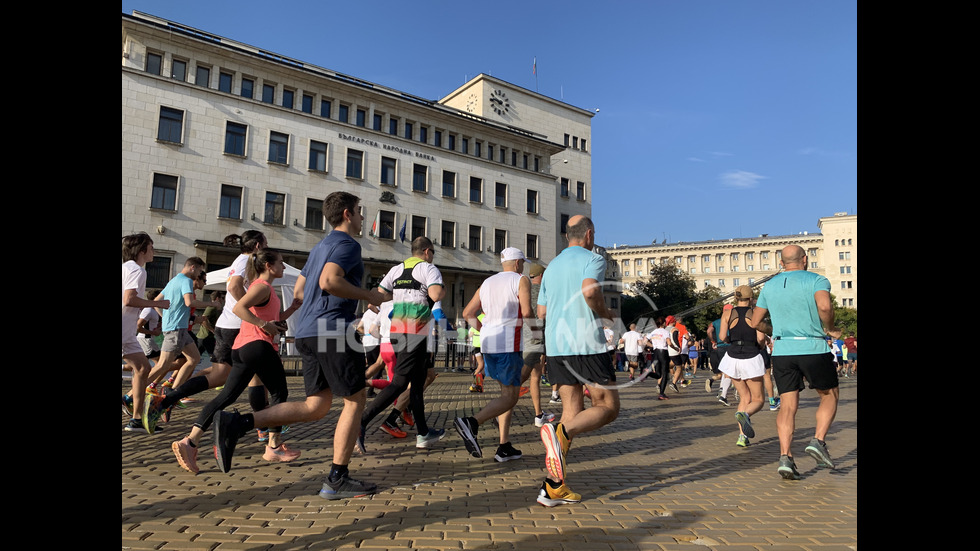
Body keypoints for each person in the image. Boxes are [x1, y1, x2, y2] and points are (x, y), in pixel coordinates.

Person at [210, 192, 388, 499]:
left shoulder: (320, 247)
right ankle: (337, 478)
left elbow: (304, 289)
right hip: (332, 330)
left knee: (315, 406)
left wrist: (334, 300)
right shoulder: (347, 244)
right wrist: (368, 296)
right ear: (347, 214)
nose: (361, 218)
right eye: (359, 212)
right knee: (355, 400)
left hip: (307, 330)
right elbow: (329, 282)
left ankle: (237, 423)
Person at [170, 249, 303, 473]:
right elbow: (239, 308)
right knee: (280, 393)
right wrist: (264, 326)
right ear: (269, 266)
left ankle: (190, 442)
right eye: (281, 263)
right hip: (257, 346)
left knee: (226, 397)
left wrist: (288, 311)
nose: (284, 267)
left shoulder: (262, 288)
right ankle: (274, 446)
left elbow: (269, 318)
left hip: (244, 347)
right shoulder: (261, 287)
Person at [535, 215, 618, 507]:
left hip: (557, 346)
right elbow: (590, 290)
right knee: (607, 407)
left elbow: (541, 311)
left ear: (566, 236)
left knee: (572, 409)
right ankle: (558, 433)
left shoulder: (552, 266)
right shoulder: (592, 258)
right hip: (586, 343)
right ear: (589, 234)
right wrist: (607, 316)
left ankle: (554, 487)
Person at [748, 245, 840, 480]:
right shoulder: (817, 280)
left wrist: (773, 329)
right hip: (813, 347)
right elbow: (825, 306)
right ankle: (818, 441)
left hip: (783, 351)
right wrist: (830, 328)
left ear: (781, 263)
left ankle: (785, 457)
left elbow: (755, 321)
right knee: (829, 395)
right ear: (805, 260)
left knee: (788, 405)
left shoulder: (770, 286)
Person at [357, 236, 447, 453]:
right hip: (416, 331)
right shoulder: (428, 268)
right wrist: (440, 291)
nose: (433, 256)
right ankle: (361, 422)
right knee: (399, 382)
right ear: (427, 251)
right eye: (433, 252)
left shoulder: (396, 270)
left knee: (416, 384)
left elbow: (376, 297)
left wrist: (397, 296)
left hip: (398, 330)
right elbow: (435, 294)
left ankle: (423, 434)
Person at [454, 247, 534, 462]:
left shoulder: (487, 283)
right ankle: (471, 422)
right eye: (523, 263)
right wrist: (538, 332)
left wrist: (484, 329)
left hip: (489, 343)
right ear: (518, 263)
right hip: (508, 343)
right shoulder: (520, 279)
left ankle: (504, 445)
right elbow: (526, 312)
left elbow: (467, 313)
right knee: (510, 397)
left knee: (505, 396)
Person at [141, 256, 220, 433]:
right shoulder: (185, 280)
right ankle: (135, 394)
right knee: (163, 365)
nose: (200, 275)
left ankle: (172, 389)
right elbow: (189, 302)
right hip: (176, 329)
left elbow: (157, 302)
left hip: (181, 329)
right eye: (200, 271)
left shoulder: (174, 280)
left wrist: (166, 316)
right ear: (193, 268)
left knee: (194, 359)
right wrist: (211, 303)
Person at [122, 232, 171, 431]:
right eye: (151, 248)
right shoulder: (137, 270)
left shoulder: (125, 268)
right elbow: (129, 299)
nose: (154, 251)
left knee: (143, 368)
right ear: (142, 250)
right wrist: (156, 303)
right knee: (142, 369)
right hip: (124, 328)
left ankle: (136, 419)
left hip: (128, 332)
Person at [718, 285, 768, 447]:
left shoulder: (727, 313)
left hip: (732, 358)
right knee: (758, 400)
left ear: (735, 298)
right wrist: (761, 346)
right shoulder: (755, 314)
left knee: (744, 397)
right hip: (751, 356)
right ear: (752, 299)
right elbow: (760, 338)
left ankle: (742, 436)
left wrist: (729, 342)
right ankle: (745, 414)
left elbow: (722, 336)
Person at [522, 262, 555, 427]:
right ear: (542, 276)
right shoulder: (544, 292)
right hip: (536, 337)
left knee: (535, 376)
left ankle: (538, 414)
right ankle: (502, 408)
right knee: (521, 377)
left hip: (526, 335)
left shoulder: (525, 290)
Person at [645, 318, 672, 399]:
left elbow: (645, 340)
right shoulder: (666, 332)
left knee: (658, 374)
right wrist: (676, 348)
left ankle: (648, 373)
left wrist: (652, 345)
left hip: (655, 352)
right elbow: (669, 343)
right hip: (663, 352)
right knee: (664, 374)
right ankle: (661, 394)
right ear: (663, 323)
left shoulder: (653, 332)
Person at [468, 313, 485, 391]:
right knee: (481, 365)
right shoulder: (486, 317)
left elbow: (470, 334)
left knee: (482, 366)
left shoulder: (477, 317)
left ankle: (478, 385)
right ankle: (474, 384)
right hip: (482, 345)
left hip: (476, 346)